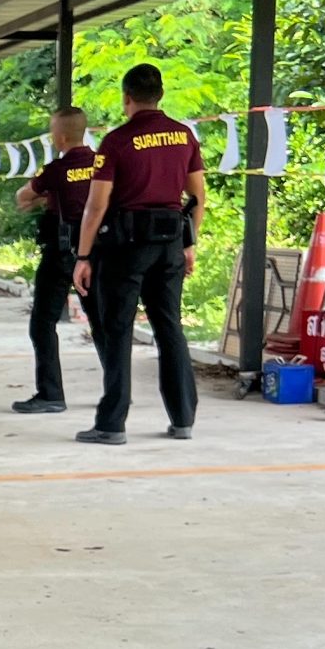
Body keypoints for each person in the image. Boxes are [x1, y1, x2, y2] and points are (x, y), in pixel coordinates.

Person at [73, 63, 208, 445]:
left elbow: (96, 205)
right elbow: (198, 196)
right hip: (170, 243)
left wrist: (83, 256)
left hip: (125, 247)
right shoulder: (184, 135)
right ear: (160, 95)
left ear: (126, 98)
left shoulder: (116, 141)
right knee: (169, 327)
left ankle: (112, 424)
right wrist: (189, 244)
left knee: (117, 331)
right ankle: (183, 419)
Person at [11, 107, 100, 416]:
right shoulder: (101, 164)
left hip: (61, 252)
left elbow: (22, 196)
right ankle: (118, 392)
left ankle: (51, 394)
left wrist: (42, 196)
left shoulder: (56, 170)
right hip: (97, 252)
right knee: (102, 323)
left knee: (43, 323)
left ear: (60, 138)